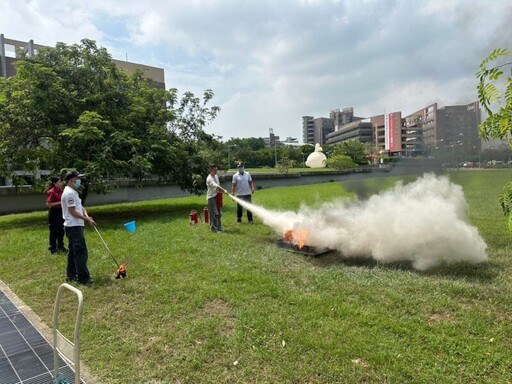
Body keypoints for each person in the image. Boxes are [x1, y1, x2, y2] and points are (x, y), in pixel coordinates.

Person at [61, 171, 95, 285]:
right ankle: (83, 278)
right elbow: (73, 212)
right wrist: (87, 220)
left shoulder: (73, 192)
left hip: (75, 226)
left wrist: (86, 216)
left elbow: (80, 207)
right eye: (77, 178)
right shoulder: (69, 193)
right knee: (80, 252)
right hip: (74, 226)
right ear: (71, 180)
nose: (79, 180)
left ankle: (71, 275)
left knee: (73, 252)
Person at [46, 176, 66, 254]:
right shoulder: (51, 192)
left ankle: (61, 246)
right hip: (54, 212)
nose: (61, 183)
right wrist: (60, 202)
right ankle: (53, 247)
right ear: (55, 183)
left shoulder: (61, 191)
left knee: (61, 229)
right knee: (54, 230)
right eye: (59, 182)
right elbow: (48, 204)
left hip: (61, 211)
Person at [206, 164, 227, 233]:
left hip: (217, 196)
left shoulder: (216, 176)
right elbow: (216, 186)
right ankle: (213, 229)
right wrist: (224, 190)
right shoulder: (209, 179)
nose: (216, 171)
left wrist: (222, 191)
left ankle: (219, 228)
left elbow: (218, 185)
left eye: (217, 170)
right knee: (214, 213)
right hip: (211, 197)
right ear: (211, 170)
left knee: (219, 213)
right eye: (215, 170)